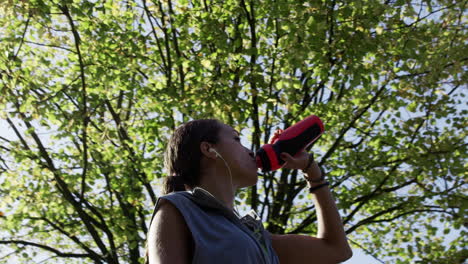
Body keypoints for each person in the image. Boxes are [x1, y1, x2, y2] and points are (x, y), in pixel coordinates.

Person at [146, 119, 352, 264]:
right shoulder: (177, 208)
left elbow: (336, 249)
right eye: (236, 139)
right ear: (209, 149)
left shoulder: (258, 239)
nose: (251, 151)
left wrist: (311, 170)